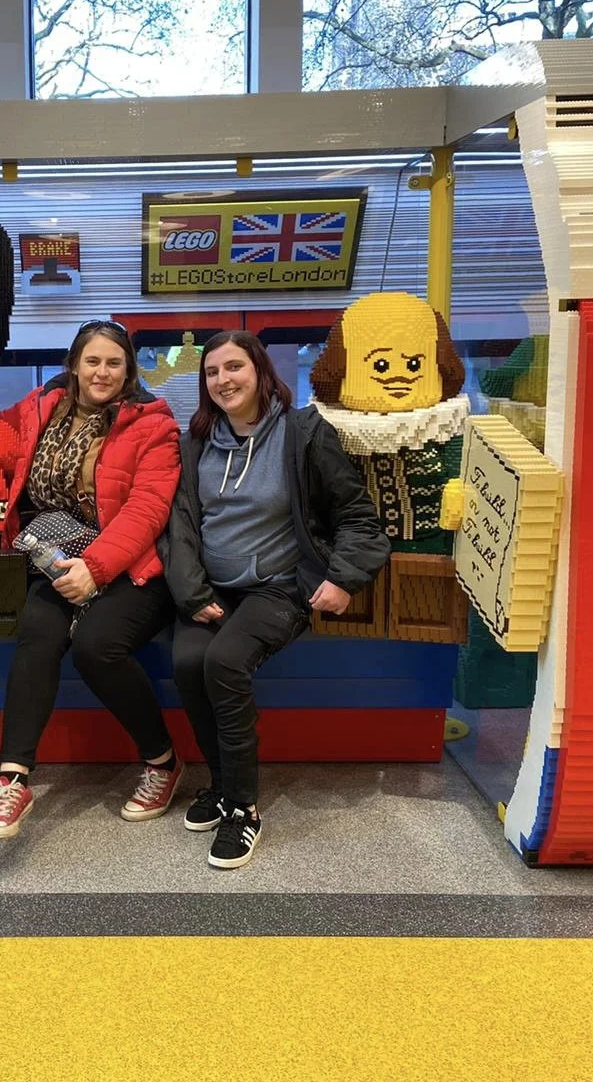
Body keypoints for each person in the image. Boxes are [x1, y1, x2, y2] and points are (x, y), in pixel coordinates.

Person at [160, 331, 390, 869]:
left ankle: (244, 808)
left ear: (261, 372)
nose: (223, 380)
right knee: (188, 662)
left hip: (280, 586)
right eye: (212, 372)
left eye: (234, 367)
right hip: (213, 589)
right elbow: (182, 527)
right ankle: (220, 785)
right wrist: (192, 594)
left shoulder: (304, 432)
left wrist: (344, 577)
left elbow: (358, 519)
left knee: (223, 662)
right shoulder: (194, 443)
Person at [0, 319, 183, 839]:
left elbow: (147, 510)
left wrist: (93, 571)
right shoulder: (40, 408)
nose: (102, 372)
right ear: (74, 364)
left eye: (114, 362)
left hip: (131, 566)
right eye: (92, 360)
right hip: (54, 558)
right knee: (38, 636)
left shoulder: (153, 424)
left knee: (97, 647)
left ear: (128, 369)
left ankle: (162, 763)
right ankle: (13, 780)